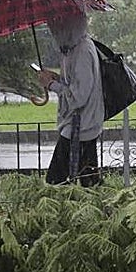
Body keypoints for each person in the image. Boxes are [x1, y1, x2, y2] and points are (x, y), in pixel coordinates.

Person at [36, 11, 104, 186]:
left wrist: (51, 85)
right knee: (87, 178)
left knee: (56, 180)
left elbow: (79, 95)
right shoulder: (72, 48)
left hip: (81, 125)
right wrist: (56, 78)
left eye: (56, 26)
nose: (53, 32)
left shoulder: (82, 51)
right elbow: (74, 83)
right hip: (78, 123)